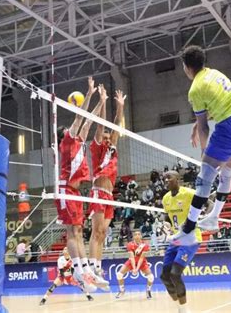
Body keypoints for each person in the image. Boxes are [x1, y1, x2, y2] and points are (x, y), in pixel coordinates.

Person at [170, 45, 231, 245]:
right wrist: (195, 125)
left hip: (230, 127)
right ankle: (214, 217)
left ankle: (188, 229)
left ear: (186, 67)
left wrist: (203, 153)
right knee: (226, 175)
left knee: (205, 176)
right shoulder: (214, 73)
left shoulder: (195, 89)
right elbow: (220, 104)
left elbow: (204, 129)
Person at [55, 77, 108, 292]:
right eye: (69, 129)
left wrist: (101, 101)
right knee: (72, 231)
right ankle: (79, 271)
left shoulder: (78, 140)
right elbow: (79, 117)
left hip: (76, 192)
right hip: (65, 190)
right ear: (63, 136)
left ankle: (87, 272)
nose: (74, 129)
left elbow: (89, 119)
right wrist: (88, 93)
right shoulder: (67, 141)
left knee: (78, 231)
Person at [88, 87, 125, 285]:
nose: (108, 137)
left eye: (109, 136)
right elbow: (100, 127)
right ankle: (92, 268)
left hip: (110, 196)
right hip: (97, 193)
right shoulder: (96, 147)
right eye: (106, 136)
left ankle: (98, 268)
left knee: (103, 233)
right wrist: (102, 102)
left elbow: (117, 125)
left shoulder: (112, 147)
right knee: (96, 232)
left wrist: (120, 107)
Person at [161, 171, 203, 313]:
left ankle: (184, 310)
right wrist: (165, 225)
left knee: (175, 274)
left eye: (169, 177)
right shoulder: (165, 198)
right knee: (165, 276)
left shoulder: (189, 193)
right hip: (176, 238)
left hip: (191, 238)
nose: (166, 180)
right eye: (164, 178)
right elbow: (167, 217)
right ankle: (179, 307)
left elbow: (208, 203)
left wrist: (204, 218)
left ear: (177, 179)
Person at [115, 231, 154, 300]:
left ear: (141, 236)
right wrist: (134, 268)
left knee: (151, 277)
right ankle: (122, 290)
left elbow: (142, 258)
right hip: (131, 262)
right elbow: (132, 257)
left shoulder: (145, 245)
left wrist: (137, 268)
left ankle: (148, 290)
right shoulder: (130, 244)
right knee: (119, 274)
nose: (137, 236)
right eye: (135, 234)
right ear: (133, 237)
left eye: (139, 234)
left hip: (142, 263)